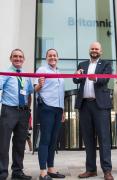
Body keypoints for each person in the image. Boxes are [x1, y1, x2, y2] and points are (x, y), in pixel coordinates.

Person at [73, 42, 114, 180]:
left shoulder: (106, 64)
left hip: (100, 106)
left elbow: (107, 78)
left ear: (100, 51)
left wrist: (95, 78)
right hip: (85, 105)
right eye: (92, 48)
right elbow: (75, 80)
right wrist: (77, 75)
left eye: (96, 48)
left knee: (104, 138)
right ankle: (91, 169)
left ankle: (107, 171)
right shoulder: (82, 64)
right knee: (88, 139)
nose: (94, 50)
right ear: (89, 50)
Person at [0, 49, 33, 180]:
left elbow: (29, 92)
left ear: (23, 59)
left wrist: (28, 110)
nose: (18, 59)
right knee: (3, 143)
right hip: (9, 110)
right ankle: (2, 172)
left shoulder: (26, 75)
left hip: (23, 112)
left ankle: (17, 171)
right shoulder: (5, 73)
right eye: (15, 56)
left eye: (20, 57)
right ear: (11, 58)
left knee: (20, 143)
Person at [34, 49, 65, 180]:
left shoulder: (59, 73)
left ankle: (51, 169)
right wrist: (40, 85)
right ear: (46, 58)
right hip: (46, 107)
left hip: (58, 109)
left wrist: (63, 110)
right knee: (45, 139)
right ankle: (42, 172)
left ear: (58, 57)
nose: (52, 57)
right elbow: (34, 89)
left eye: (54, 55)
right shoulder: (41, 70)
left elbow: (61, 93)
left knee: (53, 140)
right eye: (50, 55)